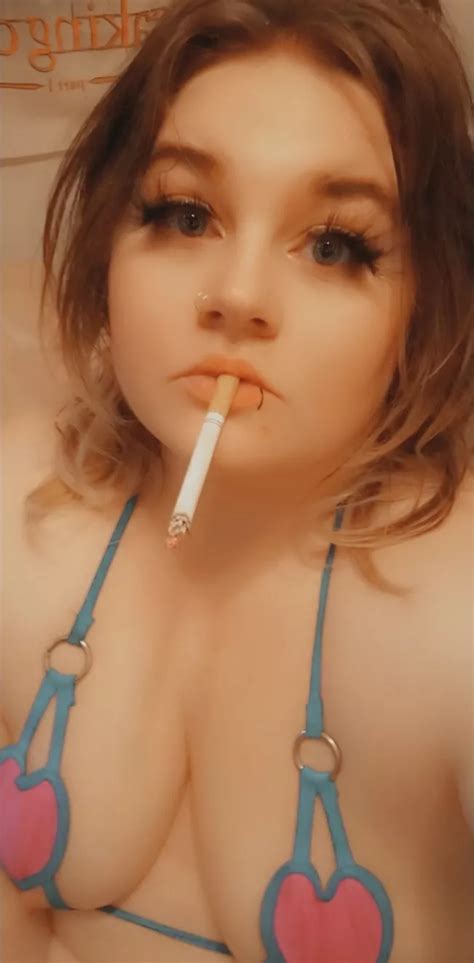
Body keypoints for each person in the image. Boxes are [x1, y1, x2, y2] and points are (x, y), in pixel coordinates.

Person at [1, 0, 473, 960]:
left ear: (428, 304)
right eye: (186, 215)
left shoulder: (453, 621)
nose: (240, 296)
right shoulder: (21, 499)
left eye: (335, 244)